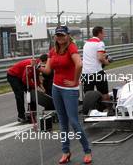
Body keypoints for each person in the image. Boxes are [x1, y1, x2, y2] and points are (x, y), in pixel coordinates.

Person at [39, 26, 92, 164]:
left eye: (62, 35)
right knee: (62, 122)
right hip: (56, 88)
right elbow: (48, 70)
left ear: (68, 35)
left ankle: (87, 150)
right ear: (55, 36)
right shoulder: (53, 51)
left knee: (74, 122)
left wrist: (75, 80)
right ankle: (65, 151)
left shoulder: (71, 48)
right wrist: (38, 66)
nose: (60, 37)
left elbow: (79, 65)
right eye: (58, 35)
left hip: (69, 90)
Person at [7, 54, 47, 123]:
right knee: (19, 95)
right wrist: (35, 87)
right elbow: (25, 79)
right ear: (43, 61)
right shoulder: (32, 65)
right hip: (13, 76)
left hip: (21, 76)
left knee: (32, 94)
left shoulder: (38, 66)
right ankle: (21, 116)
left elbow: (36, 77)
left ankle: (31, 114)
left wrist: (41, 87)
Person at [81, 26, 111, 102]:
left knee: (88, 96)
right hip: (97, 72)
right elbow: (100, 58)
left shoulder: (86, 43)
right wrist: (107, 62)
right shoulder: (100, 43)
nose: (104, 35)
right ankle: (107, 110)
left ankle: (89, 112)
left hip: (85, 73)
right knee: (104, 94)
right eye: (103, 33)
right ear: (99, 33)